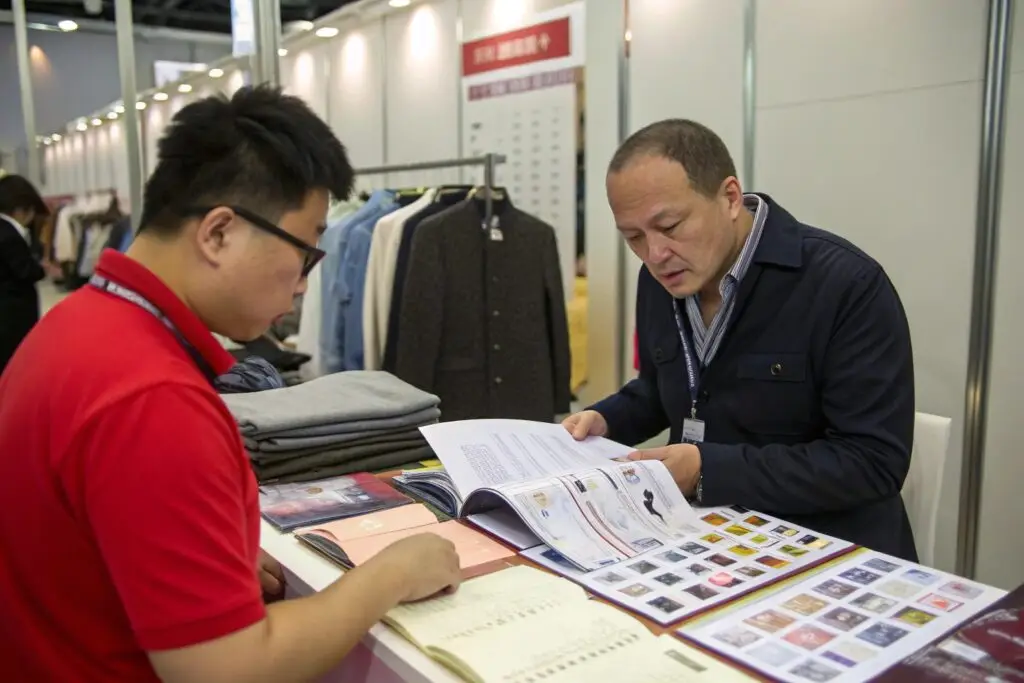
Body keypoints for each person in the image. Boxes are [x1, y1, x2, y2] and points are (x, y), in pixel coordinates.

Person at [0, 86, 461, 683]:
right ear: (219, 233)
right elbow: (229, 669)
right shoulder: (154, 400)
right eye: (305, 253)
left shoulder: (75, 326)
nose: (303, 285)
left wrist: (210, 561)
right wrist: (391, 574)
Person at [563, 119, 916, 561]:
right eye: (633, 237)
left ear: (730, 198)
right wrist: (604, 419)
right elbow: (661, 387)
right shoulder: (658, 281)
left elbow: (872, 462)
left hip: (826, 551)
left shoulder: (844, 284)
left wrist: (706, 470)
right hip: (706, 539)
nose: (654, 254)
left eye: (669, 226)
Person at [0, 173, 48, 374]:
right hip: (11, 317)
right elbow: (27, 271)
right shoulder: (10, 235)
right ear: (21, 209)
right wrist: (42, 267)